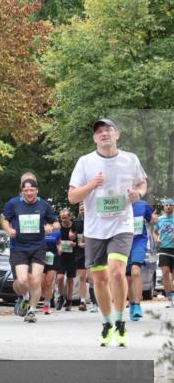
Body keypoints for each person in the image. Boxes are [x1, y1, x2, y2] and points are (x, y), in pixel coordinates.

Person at [67, 118, 148, 347]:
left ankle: (121, 323)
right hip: (95, 228)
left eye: (108, 130)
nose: (104, 134)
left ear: (117, 135)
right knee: (100, 279)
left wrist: (138, 194)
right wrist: (92, 185)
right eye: (99, 132)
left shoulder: (130, 159)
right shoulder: (85, 162)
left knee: (116, 272)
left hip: (122, 225)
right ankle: (107, 323)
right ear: (95, 138)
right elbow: (72, 197)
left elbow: (142, 183)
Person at [2, 178, 59, 323]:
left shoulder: (44, 205)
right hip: (19, 247)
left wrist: (51, 227)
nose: (29, 193)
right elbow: (4, 219)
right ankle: (24, 297)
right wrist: (8, 229)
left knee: (35, 280)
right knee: (22, 281)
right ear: (22, 191)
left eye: (32, 190)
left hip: (38, 247)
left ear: (36, 190)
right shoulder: (14, 203)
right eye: (26, 190)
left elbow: (56, 223)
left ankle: (32, 311)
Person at [126, 197, 155, 321]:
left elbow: (152, 219)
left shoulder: (143, 205)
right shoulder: (118, 204)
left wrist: (154, 219)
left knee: (135, 271)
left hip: (139, 242)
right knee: (128, 278)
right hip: (123, 243)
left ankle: (137, 305)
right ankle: (132, 303)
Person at [56, 208, 78, 311]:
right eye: (62, 218)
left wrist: (75, 243)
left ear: (70, 217)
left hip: (72, 256)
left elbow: (81, 240)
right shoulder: (58, 228)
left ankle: (69, 300)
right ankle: (60, 297)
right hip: (61, 256)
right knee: (60, 277)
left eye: (65, 218)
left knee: (70, 279)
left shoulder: (75, 226)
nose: (64, 220)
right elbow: (55, 240)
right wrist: (58, 246)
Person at [155, 198, 174, 306]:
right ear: (164, 207)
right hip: (164, 248)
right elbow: (154, 232)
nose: (168, 207)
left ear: (173, 207)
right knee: (165, 273)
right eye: (167, 205)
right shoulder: (160, 219)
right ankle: (169, 298)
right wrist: (156, 239)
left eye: (170, 205)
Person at [73, 202, 91, 311]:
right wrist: (75, 240)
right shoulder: (75, 222)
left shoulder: (94, 220)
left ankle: (95, 301)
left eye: (84, 208)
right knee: (82, 277)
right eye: (81, 209)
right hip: (80, 252)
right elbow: (71, 236)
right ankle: (83, 301)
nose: (82, 211)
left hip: (92, 251)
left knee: (93, 277)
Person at [41, 224, 61, 314]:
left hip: (53, 258)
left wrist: (60, 248)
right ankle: (34, 301)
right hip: (41, 257)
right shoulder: (40, 229)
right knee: (41, 283)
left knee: (49, 282)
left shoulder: (57, 233)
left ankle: (47, 305)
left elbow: (59, 243)